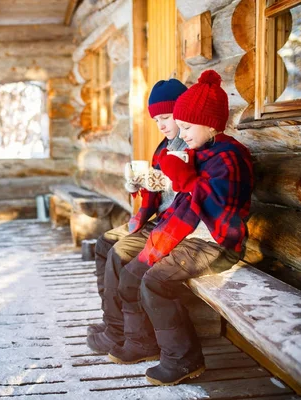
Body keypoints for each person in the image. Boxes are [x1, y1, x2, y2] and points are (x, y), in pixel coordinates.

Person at [111, 70, 254, 386]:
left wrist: (187, 180)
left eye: (187, 126)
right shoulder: (201, 152)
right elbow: (181, 205)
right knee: (139, 269)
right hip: (193, 239)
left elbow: (219, 213)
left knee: (155, 281)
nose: (182, 133)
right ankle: (150, 344)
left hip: (219, 245)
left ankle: (183, 359)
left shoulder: (230, 156)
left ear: (211, 124)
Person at [87, 78, 188, 352]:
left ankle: (124, 333)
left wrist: (161, 181)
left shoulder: (190, 144)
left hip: (177, 226)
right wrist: (140, 184)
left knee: (119, 254)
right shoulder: (164, 146)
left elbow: (186, 193)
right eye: (156, 120)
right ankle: (113, 323)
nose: (162, 125)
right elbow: (159, 194)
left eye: (166, 117)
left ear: (183, 111)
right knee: (105, 243)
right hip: (159, 219)